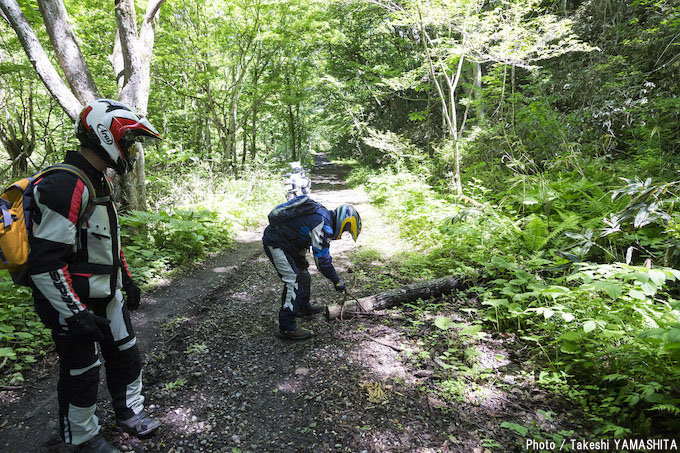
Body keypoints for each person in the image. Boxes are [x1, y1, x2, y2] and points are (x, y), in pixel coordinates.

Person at [28, 99, 162, 452]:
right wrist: (74, 312)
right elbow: (45, 262)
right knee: (82, 371)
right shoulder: (65, 184)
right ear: (106, 135)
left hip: (107, 293)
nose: (130, 149)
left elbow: (106, 240)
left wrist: (127, 279)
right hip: (73, 302)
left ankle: (129, 413)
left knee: (126, 354)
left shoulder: (96, 179)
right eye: (128, 141)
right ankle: (84, 439)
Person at [263, 198, 361, 340]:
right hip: (276, 243)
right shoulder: (322, 225)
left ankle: (302, 306)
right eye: (346, 230)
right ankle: (287, 327)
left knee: (304, 275)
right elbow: (322, 262)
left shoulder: (323, 217)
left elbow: (301, 232)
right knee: (293, 281)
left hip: (289, 243)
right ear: (342, 222)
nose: (343, 233)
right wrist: (337, 281)